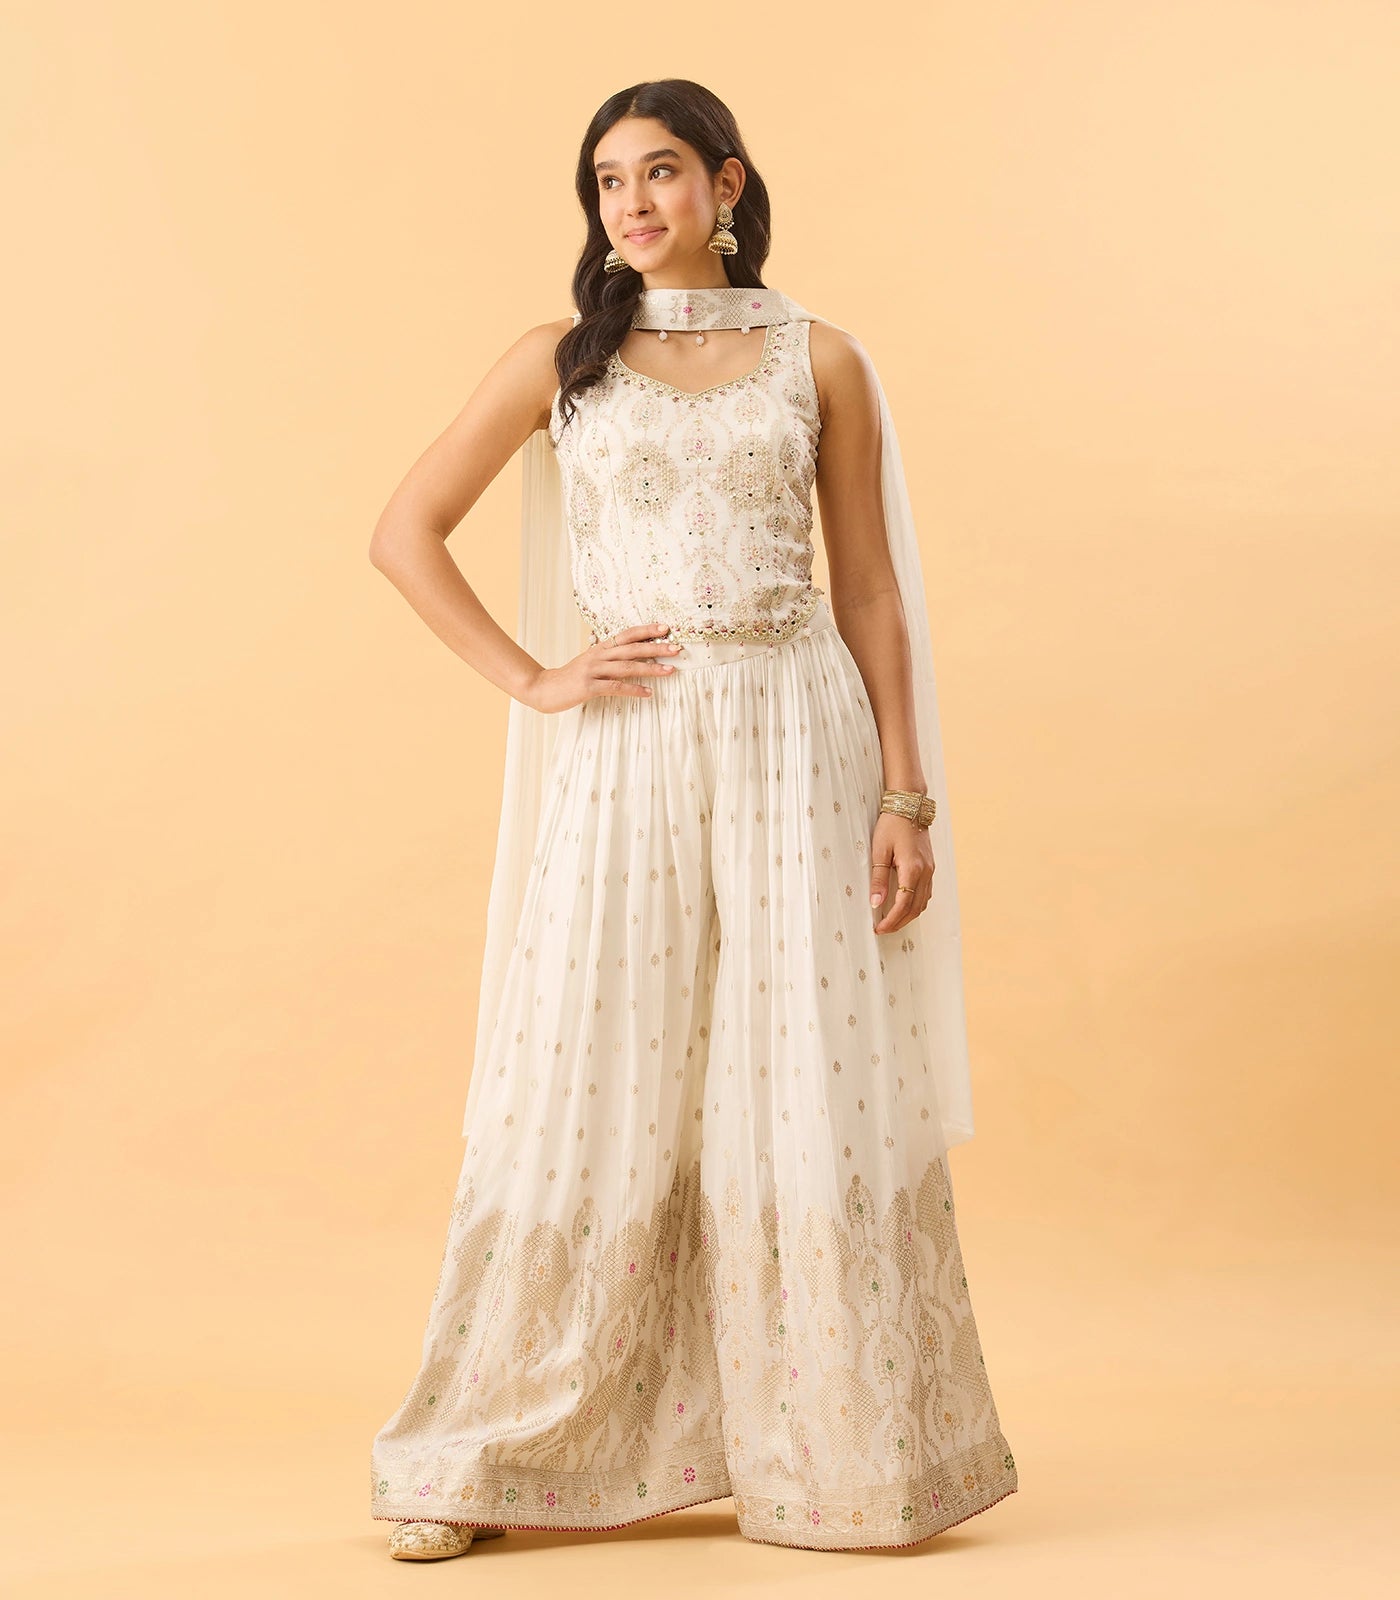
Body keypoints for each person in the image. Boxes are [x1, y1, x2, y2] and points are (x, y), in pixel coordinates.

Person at [366, 78, 1018, 1562]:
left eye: (660, 171)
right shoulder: (560, 358)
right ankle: (488, 1453)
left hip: (799, 735)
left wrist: (906, 794)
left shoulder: (819, 355)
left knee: (804, 1073)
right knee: (591, 1061)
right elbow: (403, 533)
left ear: (727, 185)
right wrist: (536, 678)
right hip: (634, 739)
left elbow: (868, 590)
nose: (633, 203)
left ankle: (838, 1455)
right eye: (608, 181)